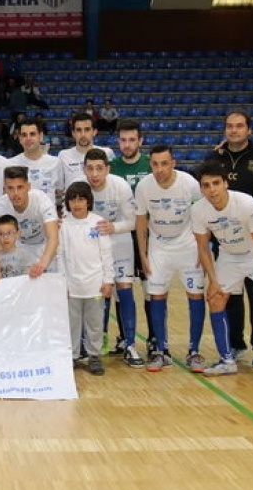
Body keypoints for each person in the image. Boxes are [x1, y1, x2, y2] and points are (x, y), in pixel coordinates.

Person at [191, 160, 253, 384]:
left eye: (216, 183)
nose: (212, 189)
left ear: (225, 184)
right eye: (206, 185)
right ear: (201, 188)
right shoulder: (198, 210)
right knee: (215, 298)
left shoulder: (245, 203)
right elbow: (203, 248)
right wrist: (213, 281)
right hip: (229, 255)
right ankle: (226, 360)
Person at [203, 107, 253, 366]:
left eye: (239, 125)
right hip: (225, 238)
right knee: (229, 295)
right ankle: (234, 344)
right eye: (230, 126)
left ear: (249, 129)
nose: (234, 130)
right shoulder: (214, 157)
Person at [134, 144, 207, 374]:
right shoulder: (144, 187)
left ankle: (194, 350)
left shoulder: (190, 184)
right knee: (156, 295)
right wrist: (143, 255)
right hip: (159, 247)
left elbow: (204, 215)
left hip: (188, 245)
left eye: (164, 163)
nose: (159, 169)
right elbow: (141, 222)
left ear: (173, 163)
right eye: (155, 164)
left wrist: (202, 250)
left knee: (195, 295)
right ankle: (161, 351)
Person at [83, 148, 145, 368]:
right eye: (90, 168)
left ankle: (130, 344)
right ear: (84, 169)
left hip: (119, 241)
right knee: (102, 293)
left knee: (125, 290)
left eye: (99, 168)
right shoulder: (79, 187)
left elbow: (132, 222)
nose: (95, 173)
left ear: (107, 169)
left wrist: (113, 226)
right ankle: (99, 342)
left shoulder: (120, 185)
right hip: (93, 245)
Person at [109, 118, 161, 356]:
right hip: (121, 236)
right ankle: (123, 337)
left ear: (140, 141)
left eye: (132, 140)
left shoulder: (151, 166)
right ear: (117, 141)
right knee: (123, 289)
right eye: (123, 140)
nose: (127, 144)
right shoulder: (111, 167)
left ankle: (153, 338)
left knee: (150, 287)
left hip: (149, 236)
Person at [57, 181, 116, 376]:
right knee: (72, 322)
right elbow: (60, 255)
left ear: (88, 201)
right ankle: (72, 355)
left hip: (95, 285)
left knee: (95, 322)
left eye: (81, 199)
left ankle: (94, 356)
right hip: (73, 285)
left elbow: (106, 253)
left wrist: (108, 280)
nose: (77, 203)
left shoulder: (98, 222)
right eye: (72, 199)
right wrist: (62, 282)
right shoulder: (64, 224)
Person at [0, 166, 60, 278]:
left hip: (44, 249)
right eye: (10, 188)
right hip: (18, 252)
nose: (15, 193)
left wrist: (41, 266)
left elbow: (53, 238)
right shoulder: (0, 206)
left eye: (20, 187)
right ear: (4, 189)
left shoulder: (41, 199)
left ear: (28, 187)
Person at [7, 118, 64, 206]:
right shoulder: (10, 164)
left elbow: (61, 192)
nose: (28, 138)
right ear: (19, 138)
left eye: (32, 134)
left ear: (40, 136)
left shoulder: (55, 162)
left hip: (49, 218)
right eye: (24, 135)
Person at [57, 111, 115, 188]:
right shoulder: (63, 155)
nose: (83, 134)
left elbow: (113, 182)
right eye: (78, 130)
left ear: (94, 132)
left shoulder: (107, 153)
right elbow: (59, 188)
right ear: (73, 133)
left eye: (87, 129)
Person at [0, 214, 39, 279]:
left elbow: (27, 278)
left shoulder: (24, 254)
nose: (5, 237)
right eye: (1, 234)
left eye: (9, 233)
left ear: (18, 234)